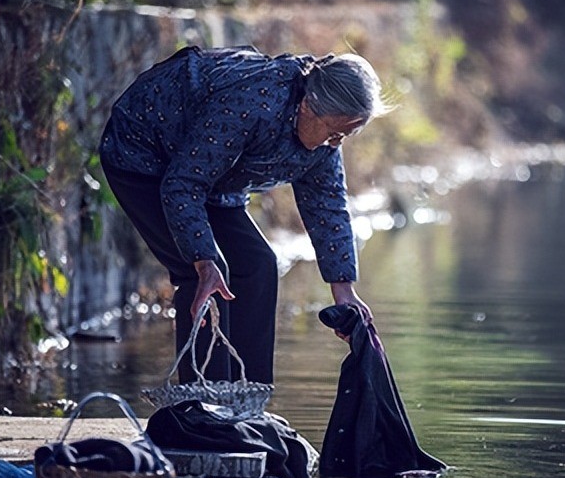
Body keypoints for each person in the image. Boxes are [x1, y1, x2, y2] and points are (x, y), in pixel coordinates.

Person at [99, 45, 391, 385]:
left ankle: (249, 397)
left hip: (210, 170)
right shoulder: (252, 103)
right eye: (335, 132)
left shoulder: (324, 142)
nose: (336, 144)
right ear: (309, 106)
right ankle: (206, 402)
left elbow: (328, 205)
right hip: (144, 153)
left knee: (257, 264)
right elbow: (182, 184)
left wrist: (344, 291)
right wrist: (204, 259)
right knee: (203, 275)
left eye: (345, 136)